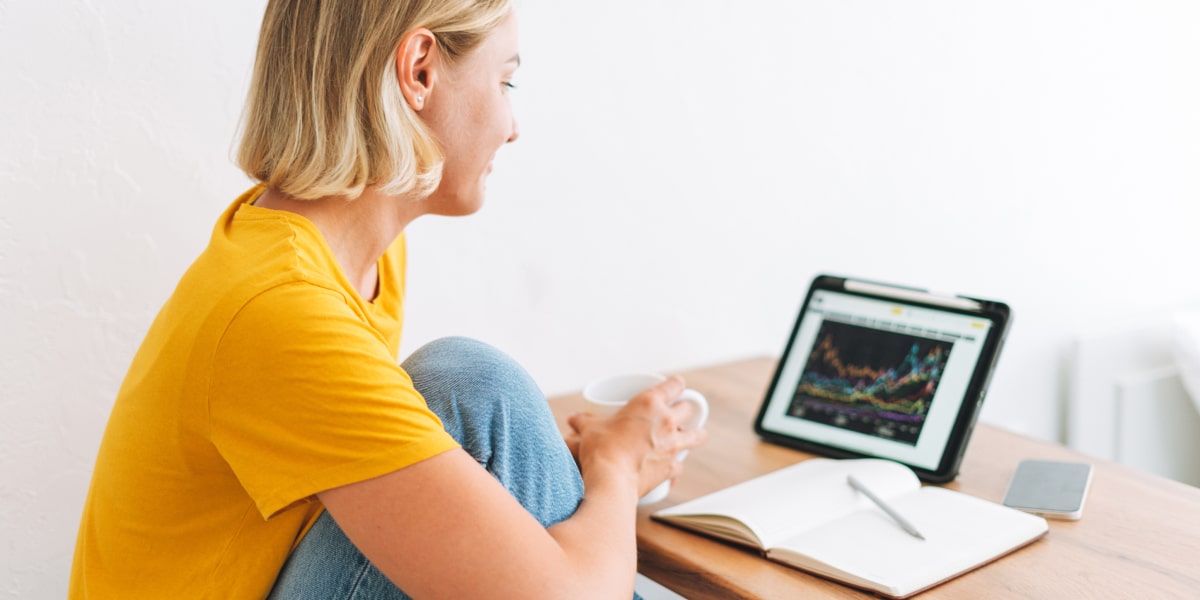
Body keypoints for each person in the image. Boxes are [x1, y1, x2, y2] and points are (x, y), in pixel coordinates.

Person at [68, 1, 708, 598]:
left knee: (476, 406)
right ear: (419, 71)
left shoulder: (351, 254)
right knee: (474, 384)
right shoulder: (283, 309)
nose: (513, 127)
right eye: (505, 82)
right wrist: (617, 469)